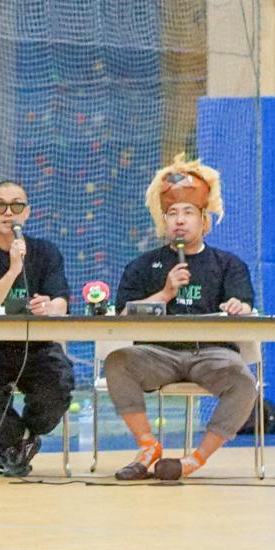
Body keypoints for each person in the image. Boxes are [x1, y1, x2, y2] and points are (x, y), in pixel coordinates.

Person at [106, 155, 256, 482]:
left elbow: (245, 306)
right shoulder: (142, 266)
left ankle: (195, 459)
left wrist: (238, 307)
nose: (180, 221)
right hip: (158, 353)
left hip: (211, 353)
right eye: (172, 213)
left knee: (244, 381)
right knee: (117, 362)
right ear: (163, 221)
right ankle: (148, 446)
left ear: (204, 220)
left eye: (188, 213)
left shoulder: (229, 264)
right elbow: (123, 314)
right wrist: (165, 293)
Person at [0, 180, 74, 477]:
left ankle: (28, 434)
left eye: (16, 205)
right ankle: (16, 437)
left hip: (38, 349)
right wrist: (13, 270)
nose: (8, 212)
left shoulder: (46, 251)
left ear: (27, 212)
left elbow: (62, 301)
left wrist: (49, 307)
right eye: (0, 205)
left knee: (59, 387)